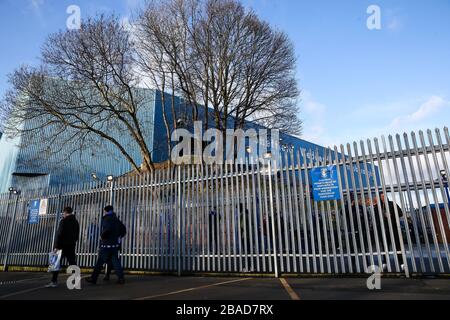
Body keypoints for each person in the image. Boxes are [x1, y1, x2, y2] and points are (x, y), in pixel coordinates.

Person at [86, 206, 125, 285]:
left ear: (105, 211)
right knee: (116, 262)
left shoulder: (106, 218)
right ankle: (121, 278)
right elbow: (123, 230)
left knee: (100, 262)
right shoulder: (117, 219)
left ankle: (93, 278)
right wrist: (118, 236)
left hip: (106, 245)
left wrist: (102, 236)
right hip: (114, 245)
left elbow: (107, 229)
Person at [46, 206, 80, 288]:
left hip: (62, 246)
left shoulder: (63, 221)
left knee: (56, 263)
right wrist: (73, 241)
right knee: (72, 262)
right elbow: (77, 234)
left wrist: (57, 246)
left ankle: (54, 281)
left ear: (65, 212)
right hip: (71, 245)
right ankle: (76, 281)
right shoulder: (76, 222)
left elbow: (60, 234)